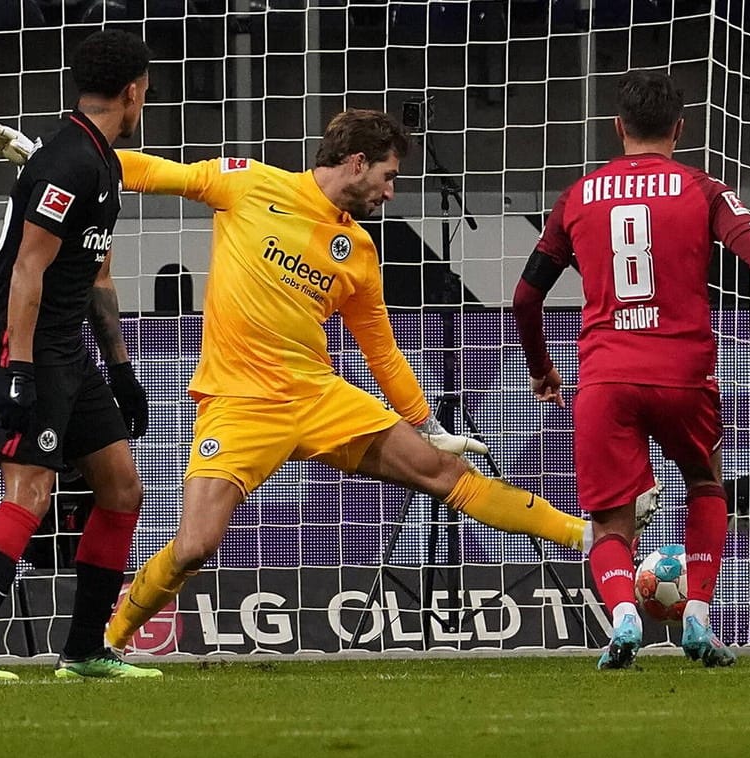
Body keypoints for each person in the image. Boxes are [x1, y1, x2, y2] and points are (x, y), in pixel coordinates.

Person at [71, 109, 622, 662]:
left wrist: (428, 426)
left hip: (318, 397)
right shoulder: (250, 184)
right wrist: (61, 165)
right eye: (387, 175)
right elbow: (151, 171)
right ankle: (108, 645)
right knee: (194, 547)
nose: (390, 191)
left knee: (447, 474)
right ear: (356, 162)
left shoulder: (357, 251)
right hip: (239, 402)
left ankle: (585, 536)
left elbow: (380, 350)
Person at [510, 70, 750, 670]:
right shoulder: (704, 189)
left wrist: (542, 369)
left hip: (606, 377)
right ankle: (696, 615)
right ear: (680, 129)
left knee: (609, 521)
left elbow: (525, 300)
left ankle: (625, 616)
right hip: (684, 375)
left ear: (618, 127)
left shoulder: (577, 197)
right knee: (706, 484)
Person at [0, 29, 158, 682]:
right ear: (132, 89)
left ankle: (84, 650)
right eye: (147, 89)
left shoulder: (103, 163)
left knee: (121, 486)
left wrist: (120, 369)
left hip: (68, 348)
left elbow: (95, 275)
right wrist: (21, 372)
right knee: (30, 490)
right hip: (21, 342)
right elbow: (28, 270)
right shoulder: (64, 163)